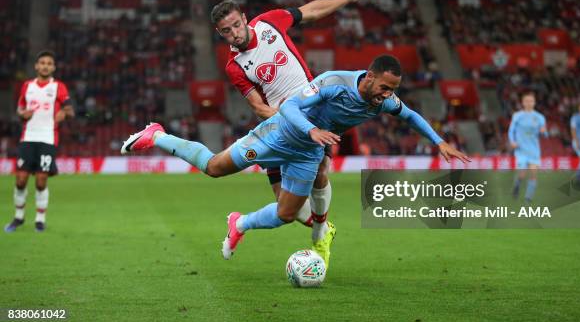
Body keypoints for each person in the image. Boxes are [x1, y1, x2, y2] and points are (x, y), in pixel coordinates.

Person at [120, 55, 469, 267]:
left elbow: (409, 116)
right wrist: (313, 130)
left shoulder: (384, 102)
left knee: (286, 214)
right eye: (385, 87)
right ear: (371, 75)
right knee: (214, 168)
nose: (388, 95)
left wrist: (439, 142)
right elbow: (288, 106)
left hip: (307, 151)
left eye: (392, 90)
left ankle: (239, 224)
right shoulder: (333, 82)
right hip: (278, 134)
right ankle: (158, 135)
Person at [212, 0, 373, 257]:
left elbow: (311, 11)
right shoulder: (235, 66)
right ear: (220, 33)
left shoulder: (269, 23)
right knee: (286, 209)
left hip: (316, 112)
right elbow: (259, 107)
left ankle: (321, 231)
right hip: (278, 126)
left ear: (245, 19)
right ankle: (245, 222)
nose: (235, 33)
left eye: (237, 25)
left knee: (321, 171)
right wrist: (288, 115)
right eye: (227, 31)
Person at [5, 50, 74, 232]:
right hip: (28, 137)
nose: (45, 66)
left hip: (48, 138)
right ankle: (18, 217)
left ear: (54, 67)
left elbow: (71, 111)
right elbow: (20, 109)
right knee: (20, 179)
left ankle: (40, 219)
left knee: (41, 180)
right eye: (42, 62)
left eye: (49, 63)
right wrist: (22, 114)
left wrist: (64, 113)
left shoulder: (59, 87)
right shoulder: (27, 86)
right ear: (36, 66)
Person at [508, 91, 548, 202]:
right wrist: (512, 141)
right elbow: (511, 131)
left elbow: (545, 134)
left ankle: (527, 199)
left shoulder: (540, 117)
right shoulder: (517, 116)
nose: (529, 103)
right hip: (521, 150)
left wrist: (543, 132)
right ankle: (517, 185)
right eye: (526, 101)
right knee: (522, 173)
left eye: (531, 101)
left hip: (534, 151)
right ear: (523, 102)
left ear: (534, 102)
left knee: (534, 173)